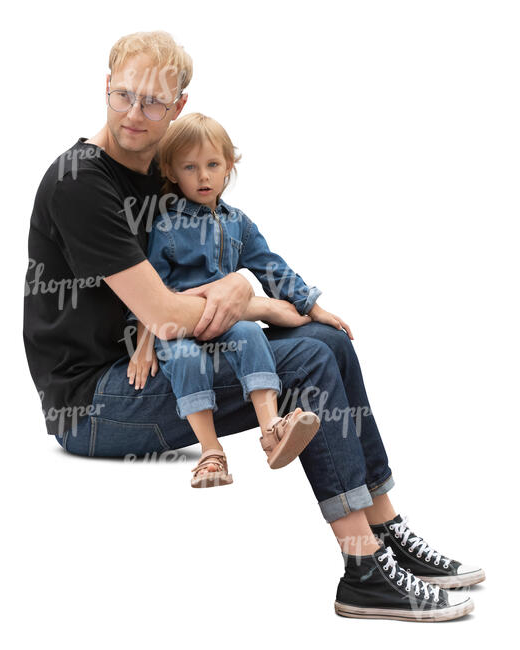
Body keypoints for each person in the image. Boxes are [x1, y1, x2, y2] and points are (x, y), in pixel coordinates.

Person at [23, 30, 484, 621]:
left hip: (159, 367)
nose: (134, 114)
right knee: (308, 360)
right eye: (123, 96)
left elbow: (211, 260)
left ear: (178, 106)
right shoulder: (80, 183)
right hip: (97, 401)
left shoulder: (161, 172)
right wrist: (253, 300)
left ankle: (384, 529)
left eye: (154, 102)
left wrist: (285, 293)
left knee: (328, 341)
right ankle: (362, 570)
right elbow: (164, 315)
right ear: (104, 88)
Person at [128, 112, 354, 488]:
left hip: (227, 324)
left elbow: (271, 267)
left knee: (250, 333)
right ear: (171, 171)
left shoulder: (238, 224)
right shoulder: (165, 225)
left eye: (212, 165)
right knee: (185, 358)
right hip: (181, 325)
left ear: (228, 166)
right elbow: (149, 288)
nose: (203, 177)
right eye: (190, 167)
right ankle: (210, 452)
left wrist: (312, 306)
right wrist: (143, 342)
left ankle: (272, 430)